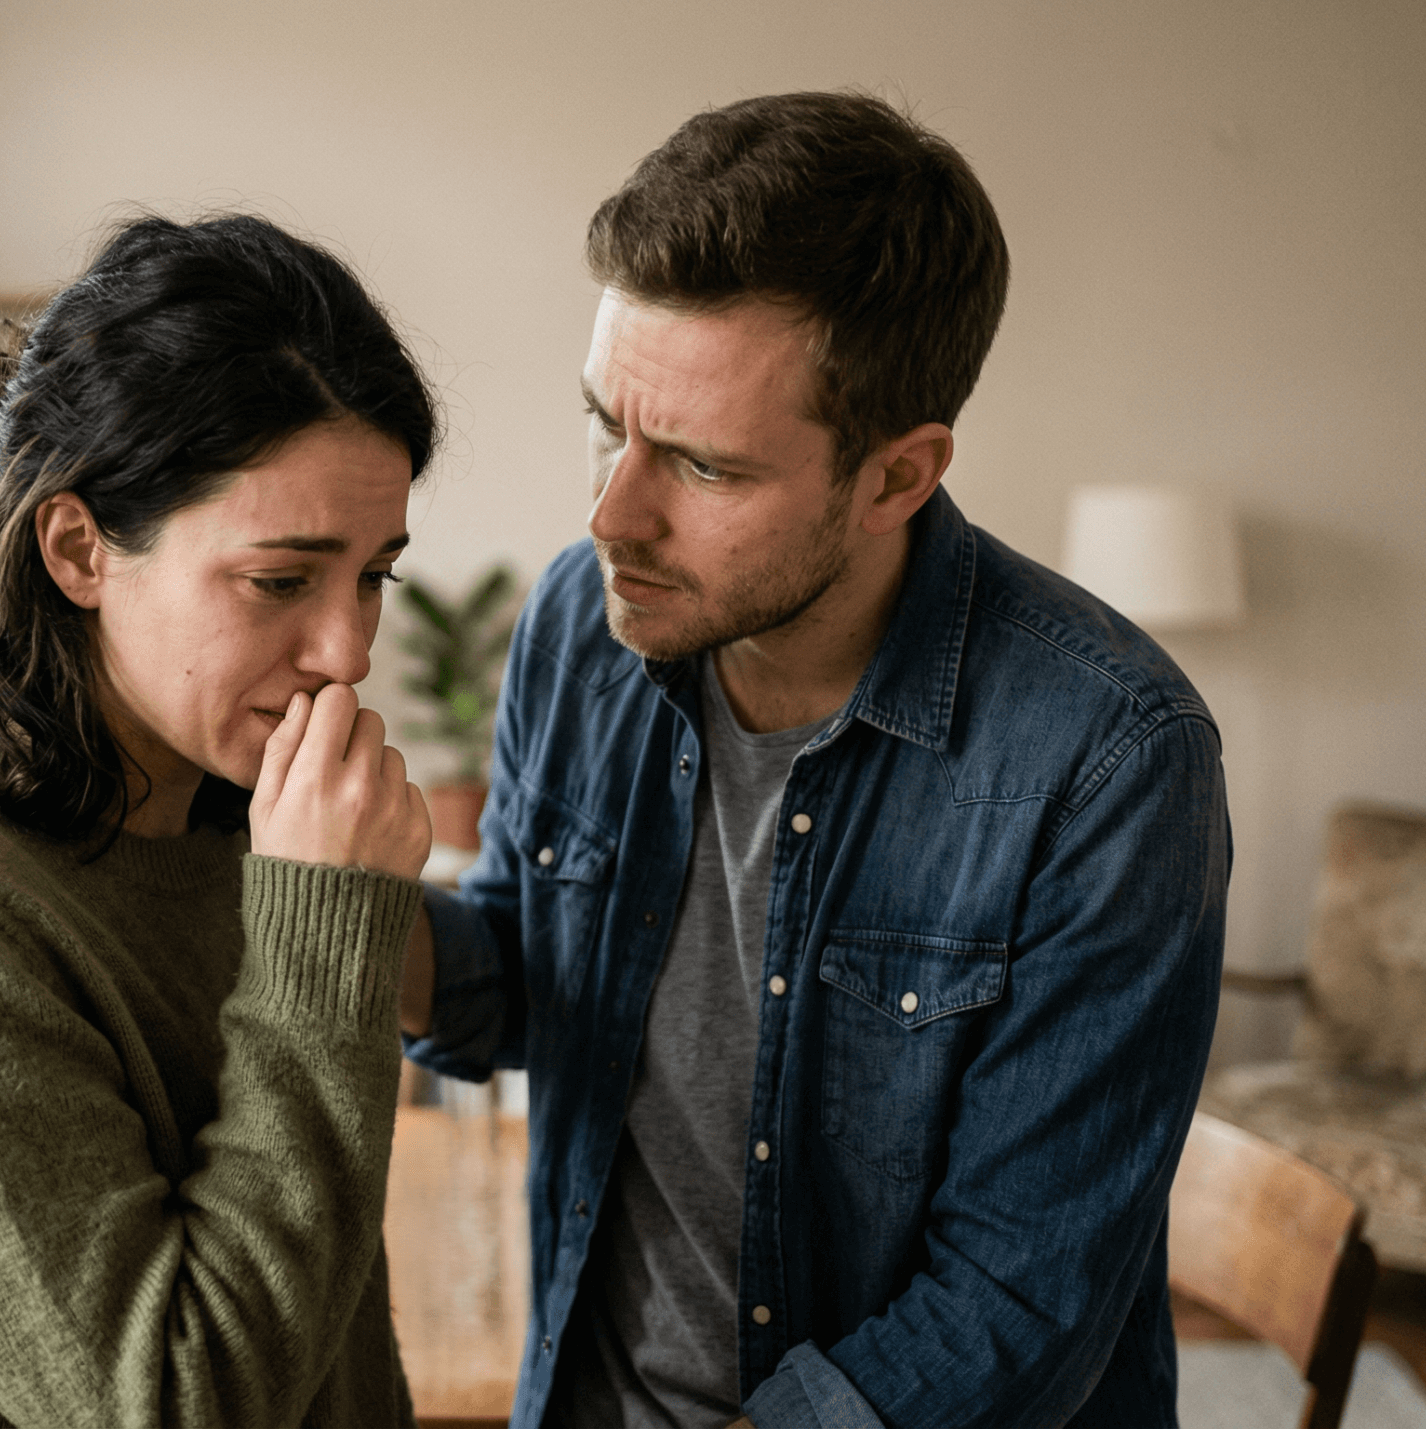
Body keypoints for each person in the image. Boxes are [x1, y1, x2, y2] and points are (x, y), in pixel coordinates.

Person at [399, 92, 1229, 1429]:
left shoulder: (1112, 757)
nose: (612, 513)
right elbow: (528, 977)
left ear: (897, 478)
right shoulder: (581, 616)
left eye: (702, 467)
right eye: (606, 424)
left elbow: (1015, 1312)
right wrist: (341, 900)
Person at [0, 213, 440, 1428]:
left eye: (373, 574)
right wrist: (328, 936)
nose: (347, 651)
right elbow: (180, 1403)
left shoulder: (239, 830)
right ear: (78, 547)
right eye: (280, 580)